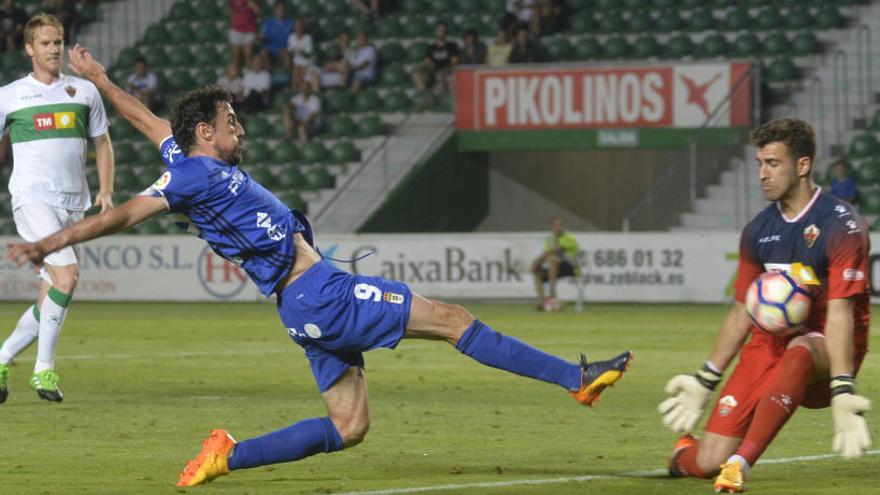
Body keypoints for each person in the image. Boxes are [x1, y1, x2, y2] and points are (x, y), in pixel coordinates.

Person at [7, 43, 633, 486]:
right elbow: (125, 214)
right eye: (231, 121)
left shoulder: (198, 161)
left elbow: (145, 119)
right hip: (321, 292)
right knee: (452, 319)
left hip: (302, 304)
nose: (240, 128)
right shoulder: (192, 176)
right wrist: (50, 242)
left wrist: (101, 77)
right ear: (203, 131)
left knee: (350, 425)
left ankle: (229, 455)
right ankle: (573, 380)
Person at [659, 118, 872, 493]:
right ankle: (683, 456)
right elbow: (742, 310)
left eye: (772, 163)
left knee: (801, 348)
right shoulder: (758, 230)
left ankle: (740, 465)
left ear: (802, 166)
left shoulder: (841, 226)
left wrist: (842, 387)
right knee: (707, 460)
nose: (762, 173)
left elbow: (841, 312)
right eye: (759, 163)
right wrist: (705, 378)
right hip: (768, 344)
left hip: (829, 349)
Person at [0, 14, 114, 404]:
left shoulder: (82, 92)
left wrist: (106, 190)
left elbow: (102, 142)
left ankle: (1, 358)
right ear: (29, 48)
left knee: (50, 296)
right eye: (46, 43)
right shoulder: (10, 95)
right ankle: (43, 369)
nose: (54, 49)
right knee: (68, 274)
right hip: (32, 199)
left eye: (58, 42)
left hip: (72, 204)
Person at [530, 216, 579, 312]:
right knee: (536, 269)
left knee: (552, 259)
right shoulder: (549, 239)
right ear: (551, 227)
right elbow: (547, 254)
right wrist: (537, 264)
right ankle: (543, 301)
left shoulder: (570, 237)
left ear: (564, 226)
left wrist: (538, 259)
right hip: (554, 268)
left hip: (570, 266)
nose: (558, 227)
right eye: (555, 225)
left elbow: (557, 249)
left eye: (560, 225)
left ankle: (553, 294)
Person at [412, 21, 459, 93]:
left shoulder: (452, 46)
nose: (441, 32)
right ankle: (425, 96)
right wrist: (421, 68)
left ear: (446, 32)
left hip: (447, 71)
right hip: (434, 71)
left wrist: (444, 69)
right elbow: (427, 62)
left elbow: (455, 61)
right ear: (436, 32)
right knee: (417, 75)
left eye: (443, 30)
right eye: (439, 30)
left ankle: (442, 99)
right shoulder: (431, 48)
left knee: (441, 76)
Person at [259, 1, 292, 66]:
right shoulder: (268, 22)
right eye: (279, 9)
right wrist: (261, 38)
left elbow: (295, 36)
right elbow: (261, 36)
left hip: (283, 48)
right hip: (269, 48)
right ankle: (268, 73)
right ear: (274, 10)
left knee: (287, 56)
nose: (281, 11)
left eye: (283, 9)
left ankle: (286, 73)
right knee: (263, 53)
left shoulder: (290, 23)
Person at [228, 0, 260, 70]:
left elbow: (258, 12)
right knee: (236, 55)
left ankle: (248, 72)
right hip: (236, 29)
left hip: (249, 29)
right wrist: (235, 20)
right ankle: (237, 73)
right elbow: (231, 9)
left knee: (248, 54)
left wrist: (252, 4)